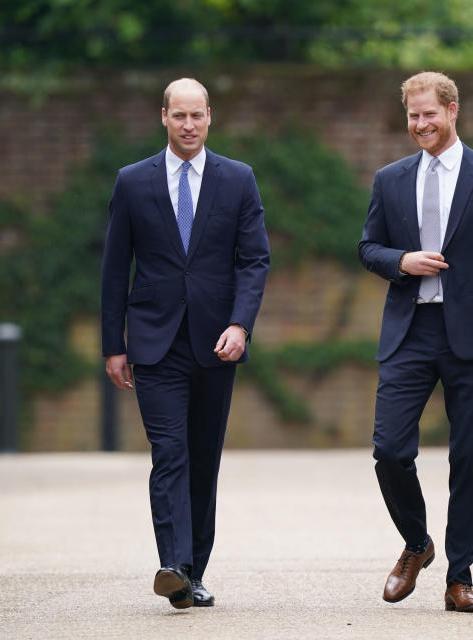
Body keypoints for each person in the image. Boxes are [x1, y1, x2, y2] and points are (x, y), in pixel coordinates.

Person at [358, 71, 473, 613]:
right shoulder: (389, 179)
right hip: (410, 330)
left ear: (452, 110)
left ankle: (460, 577)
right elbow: (368, 248)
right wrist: (401, 261)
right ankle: (417, 542)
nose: (420, 124)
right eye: (412, 116)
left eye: (429, 113)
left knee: (470, 459)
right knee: (388, 449)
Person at [100, 77, 270, 609]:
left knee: (203, 459)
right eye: (180, 116)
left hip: (217, 343)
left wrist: (241, 325)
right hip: (154, 344)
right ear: (164, 117)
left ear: (210, 117)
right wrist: (114, 344)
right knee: (169, 453)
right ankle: (171, 563)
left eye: (197, 116)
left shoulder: (238, 179)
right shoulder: (132, 182)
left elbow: (255, 260)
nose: (189, 125)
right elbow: (113, 270)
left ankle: (193, 570)